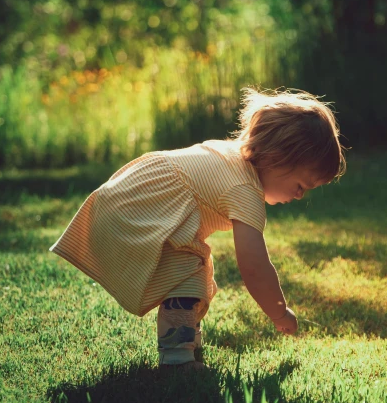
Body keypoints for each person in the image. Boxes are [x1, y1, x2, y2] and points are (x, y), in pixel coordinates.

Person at [50, 87, 346, 369]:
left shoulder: (230, 156)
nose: (299, 196)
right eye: (301, 185)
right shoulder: (244, 189)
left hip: (123, 201)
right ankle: (177, 360)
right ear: (278, 158)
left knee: (197, 266)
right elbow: (255, 267)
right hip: (135, 212)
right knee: (187, 271)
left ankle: (186, 341)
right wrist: (279, 312)